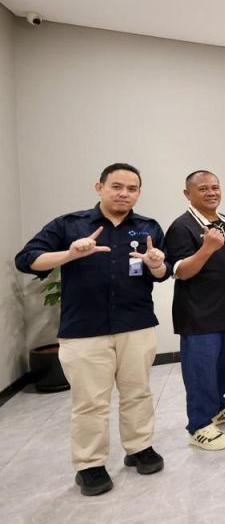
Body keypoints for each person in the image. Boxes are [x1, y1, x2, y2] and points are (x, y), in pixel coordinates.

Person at [15, 163, 167, 496]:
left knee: (138, 392)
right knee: (90, 401)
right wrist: (68, 254)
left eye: (132, 189)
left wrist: (157, 265)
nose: (124, 194)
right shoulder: (69, 224)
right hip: (84, 329)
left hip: (136, 325)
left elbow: (161, 273)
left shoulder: (148, 227)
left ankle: (139, 447)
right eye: (117, 186)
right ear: (99, 187)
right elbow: (26, 260)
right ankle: (90, 464)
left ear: (139, 193)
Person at [164, 170, 225, 450]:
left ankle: (218, 407)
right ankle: (199, 424)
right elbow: (181, 272)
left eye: (215, 187)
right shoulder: (182, 227)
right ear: (187, 194)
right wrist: (207, 248)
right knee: (201, 371)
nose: (211, 193)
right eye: (203, 189)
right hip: (198, 313)